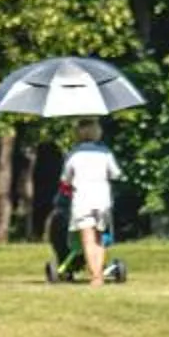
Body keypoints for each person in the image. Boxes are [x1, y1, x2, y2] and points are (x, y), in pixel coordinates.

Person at [58, 121, 120, 288]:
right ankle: (99, 274)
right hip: (102, 199)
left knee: (87, 238)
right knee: (100, 238)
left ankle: (95, 275)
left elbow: (65, 179)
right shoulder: (105, 152)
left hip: (82, 199)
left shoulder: (74, 154)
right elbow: (116, 173)